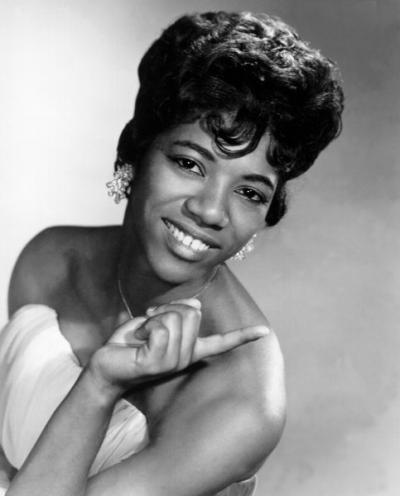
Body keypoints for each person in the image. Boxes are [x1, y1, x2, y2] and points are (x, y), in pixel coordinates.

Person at [0, 11, 344, 496]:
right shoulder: (52, 261)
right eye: (189, 163)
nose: (210, 211)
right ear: (136, 153)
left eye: (249, 192)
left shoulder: (242, 403)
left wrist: (100, 386)